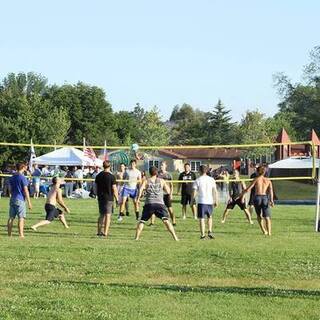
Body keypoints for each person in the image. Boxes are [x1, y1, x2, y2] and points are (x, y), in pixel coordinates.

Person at [135, 166, 178, 241]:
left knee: (142, 221)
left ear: (150, 173)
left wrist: (138, 199)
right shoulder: (162, 181)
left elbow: (141, 189)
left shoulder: (146, 181)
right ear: (156, 173)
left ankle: (136, 238)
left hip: (149, 204)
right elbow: (168, 191)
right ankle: (175, 237)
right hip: (159, 204)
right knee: (166, 220)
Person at [237, 166, 274, 236]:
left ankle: (264, 231)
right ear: (264, 172)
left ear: (257, 172)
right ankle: (269, 233)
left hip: (257, 198)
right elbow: (271, 190)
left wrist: (241, 195)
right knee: (267, 216)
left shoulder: (256, 179)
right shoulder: (268, 180)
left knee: (259, 215)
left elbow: (248, 189)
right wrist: (271, 200)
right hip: (265, 198)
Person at [192, 165, 218, 239]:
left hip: (201, 201)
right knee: (210, 217)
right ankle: (210, 231)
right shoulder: (211, 179)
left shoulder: (198, 180)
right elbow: (215, 191)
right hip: (210, 201)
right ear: (206, 171)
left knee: (202, 218)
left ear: (199, 171)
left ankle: (203, 234)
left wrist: (192, 200)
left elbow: (194, 192)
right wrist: (216, 200)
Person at [7, 163, 32, 238]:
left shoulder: (12, 177)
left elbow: (10, 189)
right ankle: (21, 235)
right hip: (20, 199)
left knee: (11, 217)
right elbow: (26, 190)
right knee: (21, 218)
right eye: (25, 167)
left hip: (13, 199)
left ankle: (9, 234)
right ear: (23, 168)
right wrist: (29, 202)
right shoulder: (23, 178)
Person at [95, 160, 119, 237]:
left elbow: (95, 187)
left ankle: (99, 231)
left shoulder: (98, 176)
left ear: (103, 166)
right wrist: (117, 199)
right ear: (110, 166)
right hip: (109, 198)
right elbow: (114, 189)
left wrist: (97, 194)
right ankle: (105, 232)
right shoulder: (111, 176)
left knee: (101, 215)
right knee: (108, 215)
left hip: (101, 197)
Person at [150, 161, 176, 226]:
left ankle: (174, 222)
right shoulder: (157, 174)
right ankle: (152, 222)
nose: (161, 166)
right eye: (160, 165)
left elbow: (171, 185)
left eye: (162, 165)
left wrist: (171, 194)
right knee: (153, 208)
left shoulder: (168, 175)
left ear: (165, 166)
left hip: (166, 194)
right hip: (159, 194)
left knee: (170, 208)